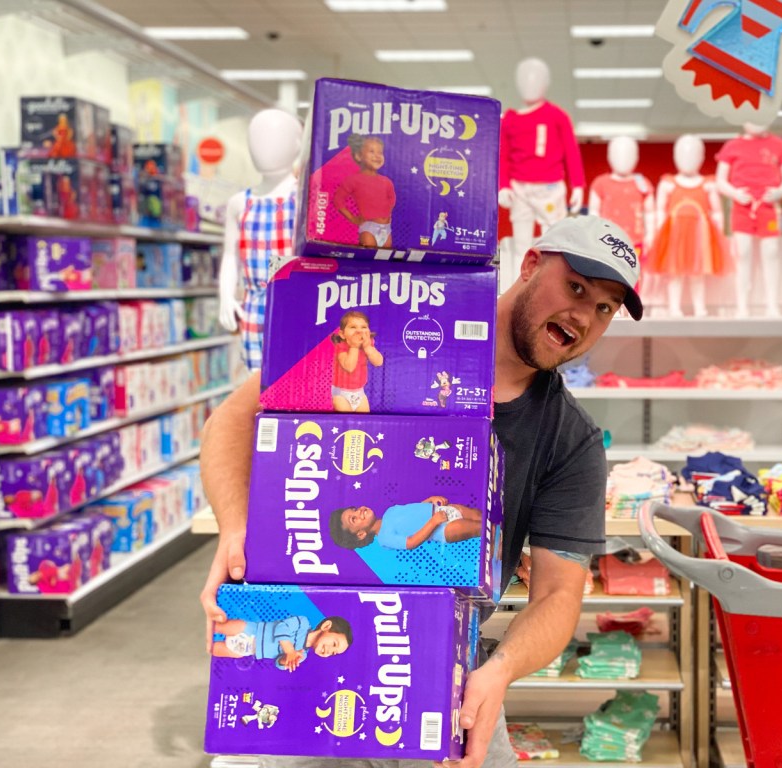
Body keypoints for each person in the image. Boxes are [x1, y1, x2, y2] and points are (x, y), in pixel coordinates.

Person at [199, 214, 643, 768]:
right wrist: (236, 529)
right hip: (306, 636)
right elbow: (232, 421)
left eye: (604, 308)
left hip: (445, 668)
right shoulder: (400, 332)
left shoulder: (569, 439)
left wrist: (499, 671)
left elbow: (558, 596)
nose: (583, 315)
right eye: (576, 287)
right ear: (530, 265)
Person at [219, 108, 303, 372]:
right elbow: (230, 255)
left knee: (296, 373)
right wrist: (225, 296)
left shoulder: (304, 198)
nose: (263, 147)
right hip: (254, 302)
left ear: (297, 145)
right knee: (255, 381)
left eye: (274, 138)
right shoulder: (239, 202)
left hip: (297, 299)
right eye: (257, 138)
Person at [497, 58, 585, 292]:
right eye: (524, 78)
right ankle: (517, 288)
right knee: (521, 241)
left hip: (550, 188)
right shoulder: (509, 120)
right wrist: (503, 185)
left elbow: (571, 151)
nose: (530, 83)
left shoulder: (557, 116)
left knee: (554, 241)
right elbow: (503, 155)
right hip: (520, 188)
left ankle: (552, 287)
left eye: (536, 78)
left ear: (546, 83)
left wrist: (578, 184)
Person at [715, 122, 782, 317]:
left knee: (772, 252)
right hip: (742, 207)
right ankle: (742, 305)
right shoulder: (732, 146)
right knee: (742, 253)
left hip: (769, 207)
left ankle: (772, 304)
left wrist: (778, 192)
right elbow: (720, 180)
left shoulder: (779, 145)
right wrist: (734, 193)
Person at [650, 134, 728, 318]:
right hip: (675, 234)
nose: (688, 159)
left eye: (693, 155)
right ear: (675, 157)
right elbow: (659, 210)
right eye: (683, 155)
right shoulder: (668, 183)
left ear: (701, 157)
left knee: (698, 274)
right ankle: (674, 307)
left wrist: (719, 233)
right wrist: (660, 233)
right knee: (674, 273)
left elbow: (717, 211)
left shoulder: (709, 184)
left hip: (699, 235)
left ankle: (699, 307)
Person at [329, 496, 482, 550]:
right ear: (361, 534)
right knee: (478, 528)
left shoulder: (389, 511)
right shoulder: (384, 538)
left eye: (354, 509)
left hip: (441, 510)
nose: (359, 511)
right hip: (443, 528)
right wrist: (434, 522)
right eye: (354, 518)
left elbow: (412, 513)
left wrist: (428, 501)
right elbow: (411, 542)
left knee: (478, 515)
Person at [211, 614, 353, 672]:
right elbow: (281, 628)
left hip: (250, 650)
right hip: (251, 630)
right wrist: (289, 651)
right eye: (334, 644)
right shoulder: (302, 623)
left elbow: (278, 664)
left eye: (334, 653)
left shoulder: (301, 655)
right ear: (326, 626)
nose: (329, 651)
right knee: (218, 626)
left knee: (218, 649)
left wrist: (286, 660)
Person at [333, 134, 396, 248]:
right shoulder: (353, 180)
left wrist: (386, 212)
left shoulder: (387, 181)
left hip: (387, 229)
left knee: (385, 261)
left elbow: (392, 198)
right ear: (358, 156)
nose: (377, 156)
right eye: (371, 151)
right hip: (369, 228)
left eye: (380, 152)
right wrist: (353, 218)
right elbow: (338, 200)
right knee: (369, 259)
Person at [330, 310, 384, 413]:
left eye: (363, 327)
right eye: (353, 327)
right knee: (346, 420)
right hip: (341, 393)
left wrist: (368, 348)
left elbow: (379, 362)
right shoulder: (341, 346)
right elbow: (349, 367)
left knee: (364, 421)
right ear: (342, 334)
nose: (359, 331)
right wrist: (354, 346)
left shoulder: (368, 345)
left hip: (360, 392)